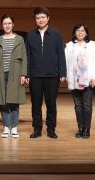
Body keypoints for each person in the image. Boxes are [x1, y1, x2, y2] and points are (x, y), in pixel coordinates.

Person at [25, 7, 66, 139]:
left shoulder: (56, 34)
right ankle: (37, 129)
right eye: (38, 18)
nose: (40, 20)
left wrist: (62, 72)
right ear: (35, 20)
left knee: (51, 104)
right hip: (35, 75)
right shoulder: (30, 35)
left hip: (52, 75)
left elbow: (61, 54)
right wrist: (27, 74)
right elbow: (28, 56)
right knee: (36, 104)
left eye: (43, 17)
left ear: (48, 18)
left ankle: (51, 129)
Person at [0, 15, 27, 138]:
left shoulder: (19, 39)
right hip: (1, 73)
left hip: (16, 73)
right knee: (3, 101)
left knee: (14, 101)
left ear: (13, 24)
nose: (7, 25)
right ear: (2, 25)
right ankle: (6, 127)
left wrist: (23, 74)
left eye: (9, 23)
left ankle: (14, 127)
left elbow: (24, 57)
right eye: (5, 23)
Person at [65, 23, 95, 139]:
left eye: (82, 31)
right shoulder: (69, 46)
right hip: (74, 79)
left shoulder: (92, 45)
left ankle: (87, 128)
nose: (80, 32)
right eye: (78, 30)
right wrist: (67, 77)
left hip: (88, 79)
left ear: (86, 33)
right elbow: (66, 62)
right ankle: (80, 128)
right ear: (74, 32)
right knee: (78, 105)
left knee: (87, 105)